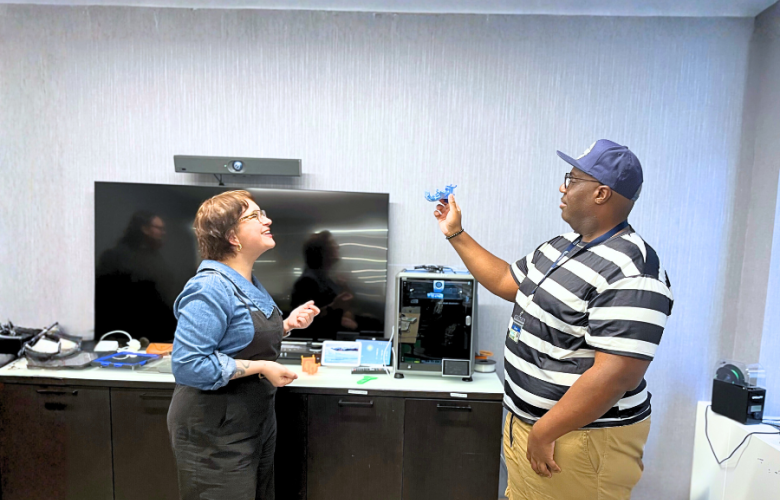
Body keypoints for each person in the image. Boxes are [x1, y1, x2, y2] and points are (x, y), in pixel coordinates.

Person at [433, 140, 673, 500]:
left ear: (602, 193)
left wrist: (546, 430)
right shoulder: (562, 245)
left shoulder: (633, 270)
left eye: (572, 179)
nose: (563, 187)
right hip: (535, 428)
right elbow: (504, 281)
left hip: (578, 438)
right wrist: (455, 232)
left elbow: (617, 375)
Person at [167, 190, 320, 500]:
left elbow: (239, 336)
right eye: (255, 216)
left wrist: (287, 324)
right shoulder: (209, 286)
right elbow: (188, 365)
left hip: (253, 422)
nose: (268, 220)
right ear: (232, 236)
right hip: (215, 430)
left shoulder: (245, 280)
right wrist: (263, 366)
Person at [95, 210, 177, 342]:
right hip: (125, 335)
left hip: (158, 333)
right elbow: (105, 298)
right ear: (144, 228)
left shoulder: (155, 258)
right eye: (158, 228)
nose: (163, 232)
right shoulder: (115, 256)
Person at [290, 230, 357, 339]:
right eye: (332, 244)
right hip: (319, 339)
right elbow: (303, 321)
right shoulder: (307, 282)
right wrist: (335, 306)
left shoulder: (326, 279)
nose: (337, 247)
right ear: (322, 252)